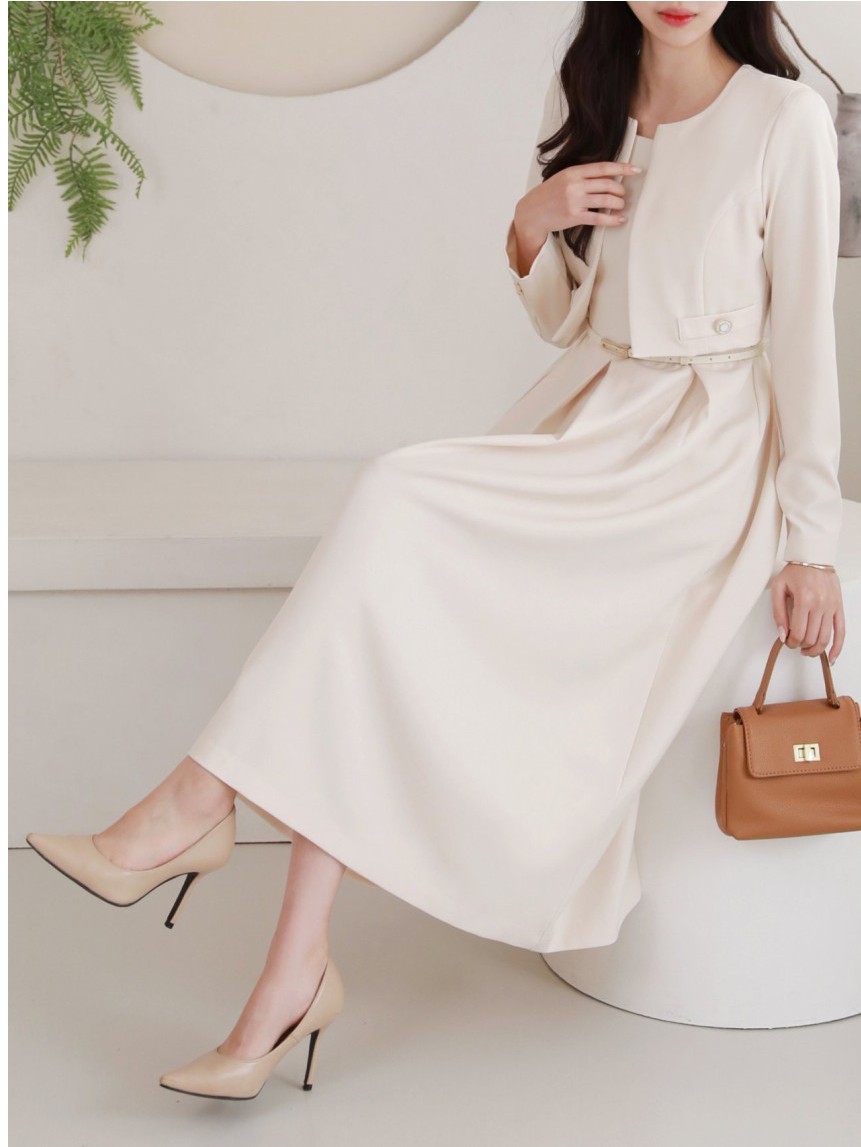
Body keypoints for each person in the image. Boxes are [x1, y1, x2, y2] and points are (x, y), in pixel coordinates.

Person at [25, 0, 846, 1104]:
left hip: (697, 463)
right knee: (389, 556)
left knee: (395, 509)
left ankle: (193, 810)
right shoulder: (592, 92)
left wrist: (811, 540)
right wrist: (533, 220)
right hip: (598, 409)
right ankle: (283, 962)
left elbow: (804, 341)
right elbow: (564, 319)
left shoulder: (784, 119)